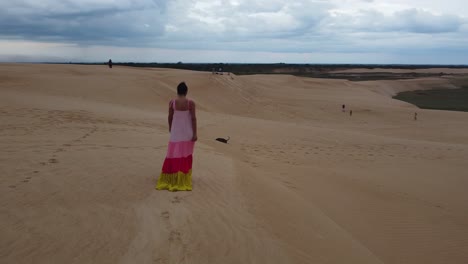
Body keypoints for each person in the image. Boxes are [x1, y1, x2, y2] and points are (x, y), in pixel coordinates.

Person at [156, 82, 197, 191]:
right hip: (187, 132)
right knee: (185, 154)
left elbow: (170, 117)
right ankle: (182, 177)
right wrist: (195, 133)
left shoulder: (172, 102)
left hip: (175, 132)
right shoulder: (190, 103)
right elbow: (193, 119)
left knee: (173, 154)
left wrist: (170, 128)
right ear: (186, 91)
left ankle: (172, 177)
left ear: (177, 91)